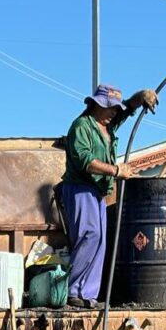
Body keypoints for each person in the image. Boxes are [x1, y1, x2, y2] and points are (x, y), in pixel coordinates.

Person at [57, 84, 126, 306]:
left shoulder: (108, 128)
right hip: (79, 188)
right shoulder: (81, 127)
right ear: (96, 104)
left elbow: (129, 112)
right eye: (110, 108)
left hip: (97, 191)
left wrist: (140, 97)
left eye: (116, 109)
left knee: (101, 240)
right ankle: (73, 291)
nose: (114, 112)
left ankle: (88, 294)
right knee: (90, 235)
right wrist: (116, 170)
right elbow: (85, 161)